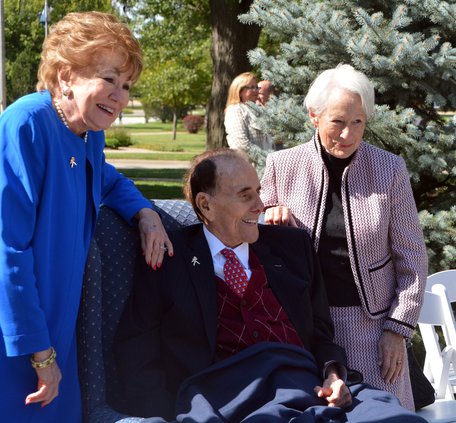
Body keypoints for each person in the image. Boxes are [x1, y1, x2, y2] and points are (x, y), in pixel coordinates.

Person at [113, 149, 426, 423]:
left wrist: (334, 374)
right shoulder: (170, 259)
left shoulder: (292, 248)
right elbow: (136, 347)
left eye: (259, 192)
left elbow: (320, 332)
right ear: (206, 205)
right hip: (230, 398)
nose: (260, 205)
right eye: (245, 195)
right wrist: (162, 414)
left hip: (310, 387)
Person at [0, 11, 173, 422]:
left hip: (56, 335)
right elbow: (7, 250)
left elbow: (110, 182)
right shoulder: (25, 124)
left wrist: (146, 213)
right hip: (17, 337)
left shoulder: (88, 134)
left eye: (127, 85)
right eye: (109, 78)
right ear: (65, 76)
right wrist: (40, 354)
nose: (120, 95)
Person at [261, 64, 428, 411]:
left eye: (358, 123)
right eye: (337, 122)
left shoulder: (389, 169)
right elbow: (244, 227)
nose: (348, 135)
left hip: (374, 330)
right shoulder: (282, 165)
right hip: (302, 330)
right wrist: (267, 215)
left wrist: (397, 330)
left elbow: (412, 261)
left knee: (388, 417)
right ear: (314, 116)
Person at [224, 72, 273, 177]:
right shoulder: (235, 110)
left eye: (257, 87)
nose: (256, 91)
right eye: (251, 87)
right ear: (239, 90)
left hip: (264, 168)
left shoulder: (258, 110)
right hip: (245, 168)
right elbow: (241, 142)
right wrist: (264, 158)